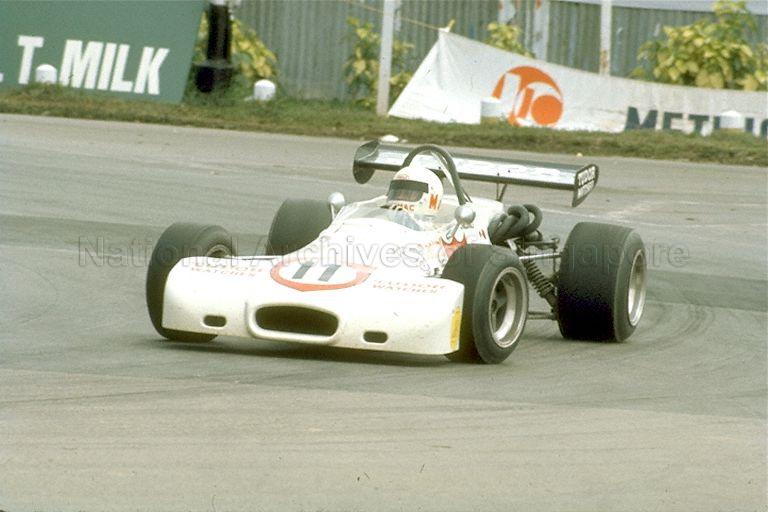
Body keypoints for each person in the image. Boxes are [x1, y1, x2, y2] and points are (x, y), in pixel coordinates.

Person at [382, 165, 444, 229]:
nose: (400, 197)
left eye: (407, 194)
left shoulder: (435, 232)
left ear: (431, 198)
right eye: (396, 193)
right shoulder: (381, 219)